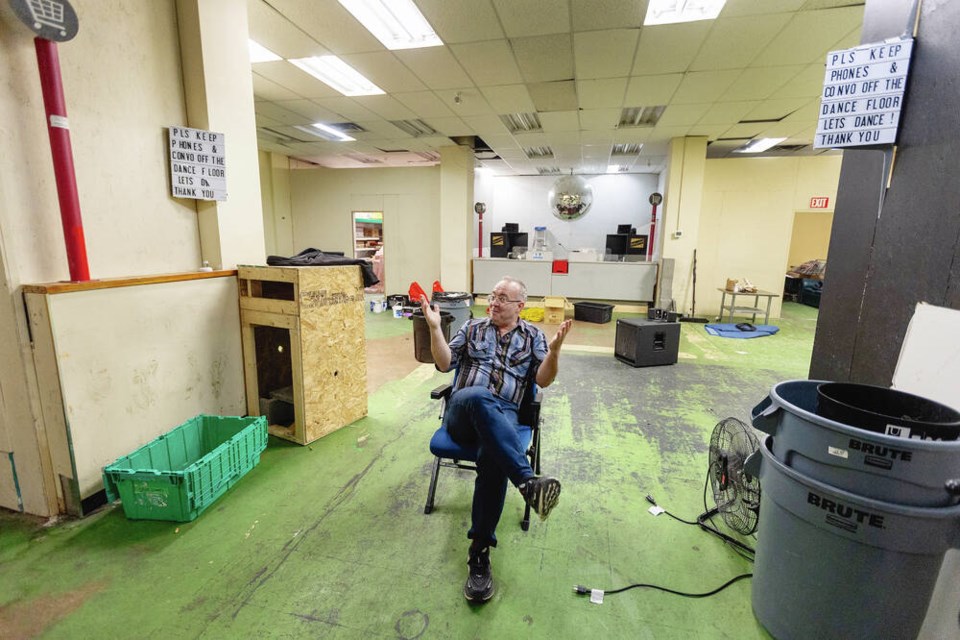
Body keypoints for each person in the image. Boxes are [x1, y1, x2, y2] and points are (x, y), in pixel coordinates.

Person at [419, 276, 572, 603]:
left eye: (504, 297)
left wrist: (555, 351)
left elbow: (543, 380)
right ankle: (527, 481)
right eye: (493, 295)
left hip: (502, 418)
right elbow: (445, 364)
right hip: (463, 409)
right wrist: (434, 329)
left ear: (520, 306)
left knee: (493, 458)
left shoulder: (533, 337)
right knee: (477, 394)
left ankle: (479, 553)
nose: (495, 301)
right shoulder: (472, 327)